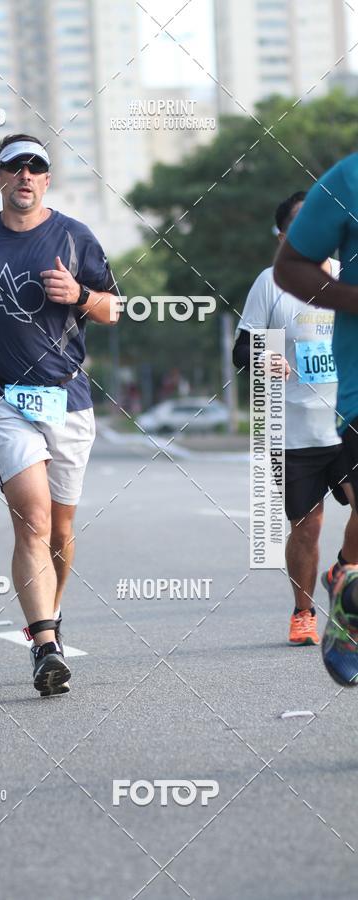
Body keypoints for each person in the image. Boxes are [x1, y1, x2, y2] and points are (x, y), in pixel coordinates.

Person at [0, 134, 120, 696]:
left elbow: (114, 308)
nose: (24, 175)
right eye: (13, 167)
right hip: (0, 395)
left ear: (47, 178)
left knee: (61, 529)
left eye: (35, 167)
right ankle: (44, 645)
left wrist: (78, 294)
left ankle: (51, 615)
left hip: (67, 396)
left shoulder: (75, 236)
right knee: (34, 518)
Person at [234, 191, 358, 648]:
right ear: (286, 236)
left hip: (346, 421)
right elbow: (241, 350)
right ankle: (303, 612)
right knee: (307, 527)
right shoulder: (271, 283)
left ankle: (343, 568)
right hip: (293, 430)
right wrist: (265, 356)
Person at [274, 155, 358, 685]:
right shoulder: (350, 178)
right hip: (312, 418)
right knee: (307, 523)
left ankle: (347, 577)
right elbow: (290, 269)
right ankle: (332, 601)